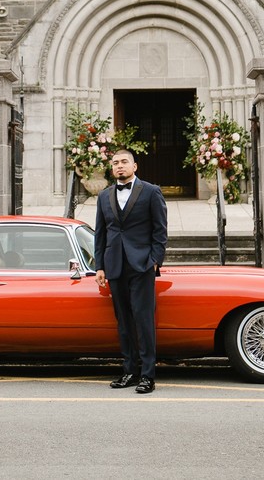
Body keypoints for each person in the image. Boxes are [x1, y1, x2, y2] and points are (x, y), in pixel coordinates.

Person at [94, 148, 168, 394]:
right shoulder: (104, 196)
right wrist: (100, 266)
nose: (119, 166)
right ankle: (129, 371)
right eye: (115, 163)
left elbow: (160, 230)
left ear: (135, 166)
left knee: (143, 320)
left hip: (141, 265)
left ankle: (148, 375)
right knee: (123, 321)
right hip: (115, 265)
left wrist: (155, 260)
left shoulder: (150, 192)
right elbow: (101, 233)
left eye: (124, 162)